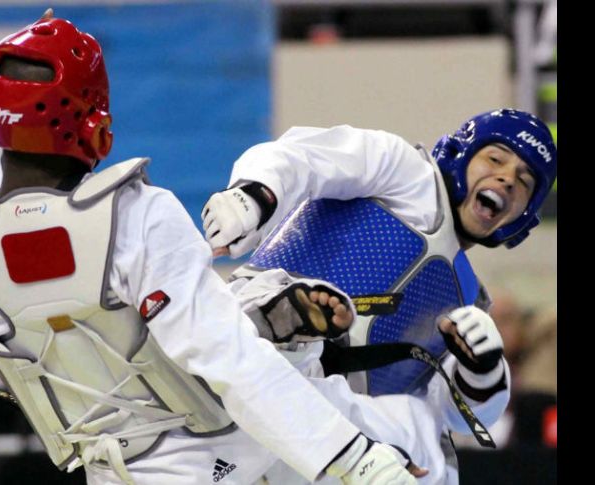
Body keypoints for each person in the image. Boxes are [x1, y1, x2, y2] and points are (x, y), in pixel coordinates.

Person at [0, 13, 424, 485]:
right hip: (223, 458)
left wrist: (3, 81)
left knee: (273, 326)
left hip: (118, 473)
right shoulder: (134, 217)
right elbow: (231, 359)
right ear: (96, 125)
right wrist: (362, 461)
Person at [201, 109, 557, 481]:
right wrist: (254, 194)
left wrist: (483, 372)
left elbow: (458, 418)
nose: (506, 179)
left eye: (525, 181)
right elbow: (301, 156)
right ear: (459, 155)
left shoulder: (469, 301)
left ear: (524, 215)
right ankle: (285, 315)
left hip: (322, 417)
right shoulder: (403, 173)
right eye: (495, 159)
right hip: (255, 349)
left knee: (432, 453)